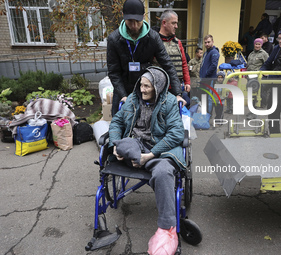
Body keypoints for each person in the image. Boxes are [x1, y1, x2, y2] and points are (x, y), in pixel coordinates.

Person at [108, 67, 186, 254]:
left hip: (158, 152)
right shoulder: (133, 99)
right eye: (141, 85)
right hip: (134, 145)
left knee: (163, 172)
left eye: (147, 87)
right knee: (124, 145)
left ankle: (167, 230)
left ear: (157, 87)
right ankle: (133, 156)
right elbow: (117, 122)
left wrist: (150, 155)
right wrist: (114, 146)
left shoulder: (168, 102)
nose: (142, 90)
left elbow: (176, 133)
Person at [107, 0, 184, 116]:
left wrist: (178, 94)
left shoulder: (153, 37)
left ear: (143, 17)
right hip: (123, 89)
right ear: (124, 17)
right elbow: (114, 72)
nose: (134, 26)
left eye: (137, 21)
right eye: (130, 21)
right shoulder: (114, 39)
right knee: (120, 126)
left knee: (147, 126)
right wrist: (123, 96)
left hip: (146, 89)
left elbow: (168, 65)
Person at [158, 10, 191, 105]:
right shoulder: (155, 41)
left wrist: (187, 82)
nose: (176, 26)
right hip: (160, 88)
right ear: (164, 23)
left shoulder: (178, 43)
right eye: (173, 23)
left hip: (176, 87)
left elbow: (184, 63)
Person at [200, 34, 220, 114]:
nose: (207, 44)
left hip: (210, 79)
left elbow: (213, 65)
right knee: (204, 97)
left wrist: (206, 75)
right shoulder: (206, 53)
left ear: (212, 42)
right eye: (205, 42)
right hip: (204, 79)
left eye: (208, 42)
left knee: (209, 98)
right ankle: (205, 114)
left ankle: (208, 115)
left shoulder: (214, 52)